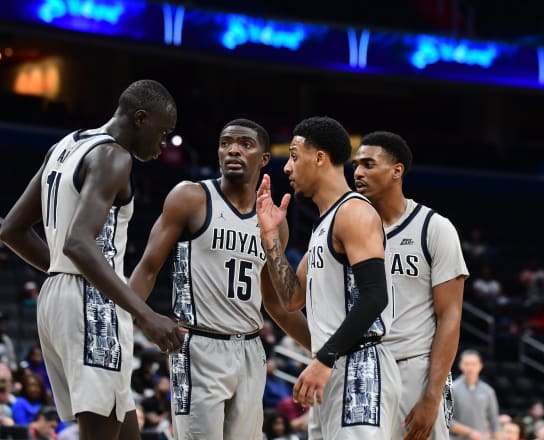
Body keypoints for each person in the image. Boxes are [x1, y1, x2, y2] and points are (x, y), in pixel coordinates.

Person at [0, 79, 186, 440]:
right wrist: (146, 315)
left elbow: (11, 230)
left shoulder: (65, 145)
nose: (164, 145)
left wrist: (63, 272)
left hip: (57, 294)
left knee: (122, 424)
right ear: (141, 119)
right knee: (99, 430)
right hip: (92, 304)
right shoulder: (114, 156)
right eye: (163, 133)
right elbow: (80, 243)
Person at [128, 118, 310, 439]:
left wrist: (323, 351)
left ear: (264, 159)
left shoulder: (273, 222)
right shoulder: (191, 197)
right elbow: (147, 268)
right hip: (198, 345)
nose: (233, 150)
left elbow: (277, 304)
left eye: (245, 144)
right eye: (226, 143)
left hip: (251, 350)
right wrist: (132, 320)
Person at [256, 116, 402, 439]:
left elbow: (375, 295)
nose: (287, 168)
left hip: (360, 367)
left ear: (319, 157)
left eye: (295, 156)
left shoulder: (354, 212)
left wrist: (324, 358)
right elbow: (292, 299)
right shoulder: (323, 225)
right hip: (333, 366)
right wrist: (271, 241)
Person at [352, 131, 468, 440]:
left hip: (413, 371)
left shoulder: (434, 228)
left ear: (396, 170)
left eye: (368, 164)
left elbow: (451, 316)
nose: (358, 172)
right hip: (362, 371)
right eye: (356, 165)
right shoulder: (345, 230)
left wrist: (431, 396)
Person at [450, 350, 500, 440]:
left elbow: (494, 423)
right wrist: (470, 432)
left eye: (473, 364)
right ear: (461, 365)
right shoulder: (452, 389)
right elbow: (447, 420)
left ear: (480, 366)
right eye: (467, 364)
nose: (470, 368)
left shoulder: (488, 391)